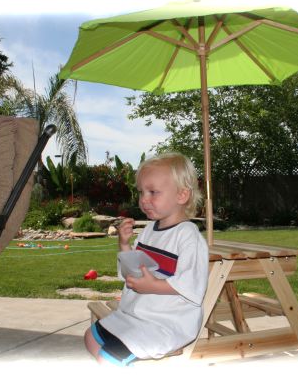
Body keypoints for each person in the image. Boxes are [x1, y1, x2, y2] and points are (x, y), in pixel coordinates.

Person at [84, 152, 209, 366]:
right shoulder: (149, 230)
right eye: (141, 192)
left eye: (153, 192)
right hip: (134, 315)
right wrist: (124, 244)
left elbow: (192, 284)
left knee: (108, 359)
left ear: (181, 195)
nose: (143, 200)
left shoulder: (188, 236)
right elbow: (132, 271)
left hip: (165, 323)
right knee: (90, 338)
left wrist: (153, 286)